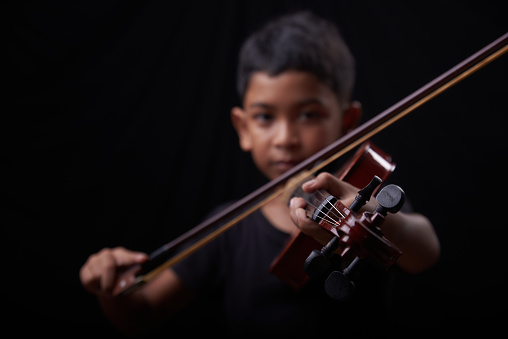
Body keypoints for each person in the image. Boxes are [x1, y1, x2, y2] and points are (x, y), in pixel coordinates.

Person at [80, 11, 440, 337]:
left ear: (347, 123)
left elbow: (424, 249)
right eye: (265, 117)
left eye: (308, 114)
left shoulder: (365, 197)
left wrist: (379, 221)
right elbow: (141, 314)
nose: (285, 139)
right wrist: (111, 290)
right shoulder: (229, 227)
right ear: (243, 127)